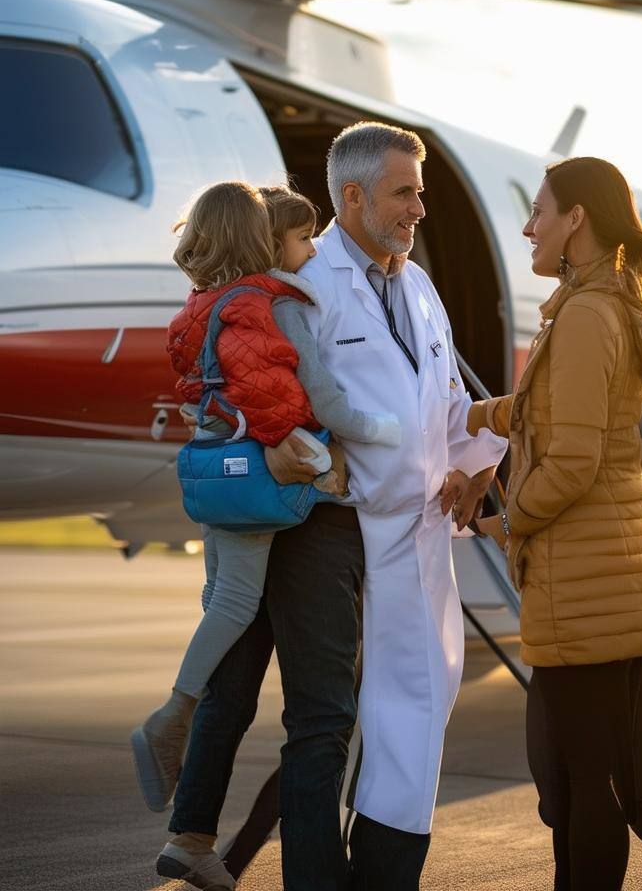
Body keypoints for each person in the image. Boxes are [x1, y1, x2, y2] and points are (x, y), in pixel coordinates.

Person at [160, 125, 506, 891]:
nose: (420, 209)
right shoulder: (304, 283)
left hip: (416, 540)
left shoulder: (418, 288)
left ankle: (381, 872)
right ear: (351, 197)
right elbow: (252, 386)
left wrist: (479, 460)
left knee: (416, 716)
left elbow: (443, 407)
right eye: (404, 193)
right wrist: (296, 451)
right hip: (331, 532)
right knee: (331, 721)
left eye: (420, 193)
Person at [470, 157, 642, 891]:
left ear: (577, 221)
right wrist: (485, 415)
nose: (529, 225)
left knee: (582, 784)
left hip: (581, 584)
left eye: (540, 210)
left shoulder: (584, 316)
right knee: (578, 780)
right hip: (606, 575)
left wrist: (511, 521)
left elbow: (569, 462)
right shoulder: (603, 306)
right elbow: (573, 419)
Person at [133, 182, 401, 816]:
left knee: (218, 603)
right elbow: (291, 402)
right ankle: (172, 713)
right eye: (303, 236)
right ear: (258, 238)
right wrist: (386, 431)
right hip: (251, 480)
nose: (311, 247)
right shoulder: (263, 306)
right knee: (233, 605)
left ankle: (190, 825)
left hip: (211, 471)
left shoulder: (202, 303)